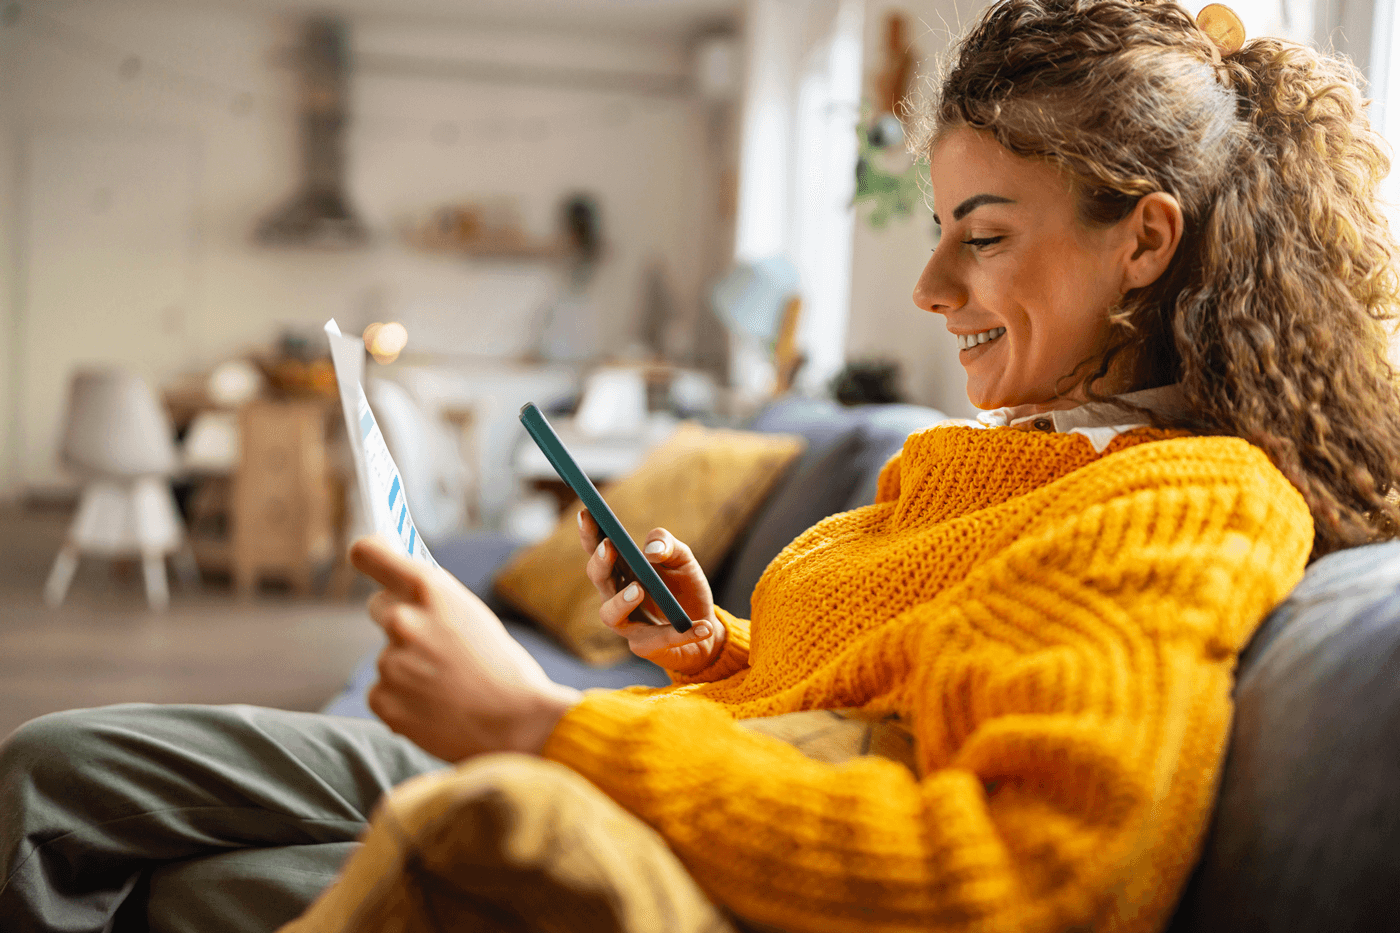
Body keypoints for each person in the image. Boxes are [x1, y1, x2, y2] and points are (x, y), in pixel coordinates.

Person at [5, 0, 1400, 930]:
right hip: (650, 756)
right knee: (52, 770)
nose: (927, 283)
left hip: (631, 806)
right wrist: (713, 644)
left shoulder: (1183, 501)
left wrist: (539, 725)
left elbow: (1027, 879)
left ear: (1143, 244)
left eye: (981, 234)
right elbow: (868, 696)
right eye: (937, 227)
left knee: (187, 893)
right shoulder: (1000, 461)